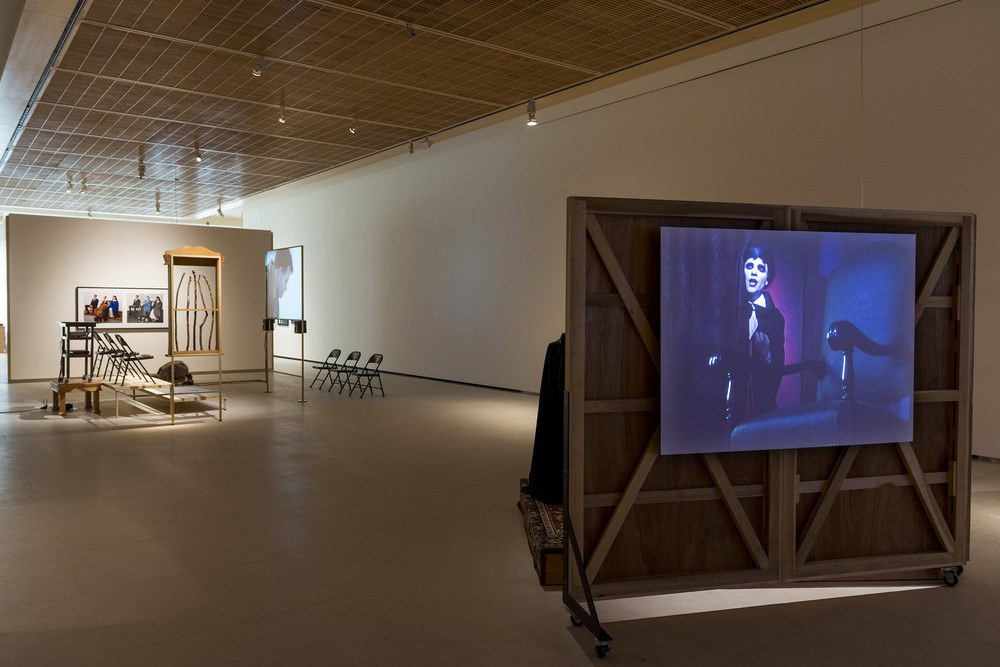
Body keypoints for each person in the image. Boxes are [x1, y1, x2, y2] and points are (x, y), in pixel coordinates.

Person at [732, 244, 784, 422]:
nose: (754, 272)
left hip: (761, 406)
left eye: (761, 268)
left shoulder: (776, 318)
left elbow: (778, 368)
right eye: (749, 266)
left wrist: (766, 354)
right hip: (732, 402)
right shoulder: (731, 311)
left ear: (767, 278)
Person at [266, 248, 294, 319]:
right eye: (286, 281)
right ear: (280, 272)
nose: (286, 288)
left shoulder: (275, 297)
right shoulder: (264, 285)